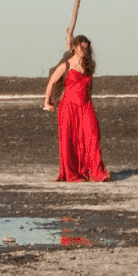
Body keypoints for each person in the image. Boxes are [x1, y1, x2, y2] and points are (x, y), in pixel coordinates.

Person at [42, 32, 110, 182]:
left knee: (93, 136)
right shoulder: (66, 65)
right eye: (81, 48)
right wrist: (47, 102)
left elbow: (89, 88)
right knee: (69, 140)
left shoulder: (89, 65)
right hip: (68, 107)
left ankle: (96, 172)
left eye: (86, 49)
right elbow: (51, 82)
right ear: (74, 47)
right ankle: (72, 173)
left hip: (85, 106)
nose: (83, 52)